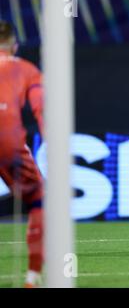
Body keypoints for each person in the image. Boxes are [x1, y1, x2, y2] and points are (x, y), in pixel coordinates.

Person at [0, 20, 45, 287]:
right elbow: (42, 109)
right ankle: (32, 278)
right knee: (39, 200)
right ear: (14, 45)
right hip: (7, 140)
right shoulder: (26, 69)